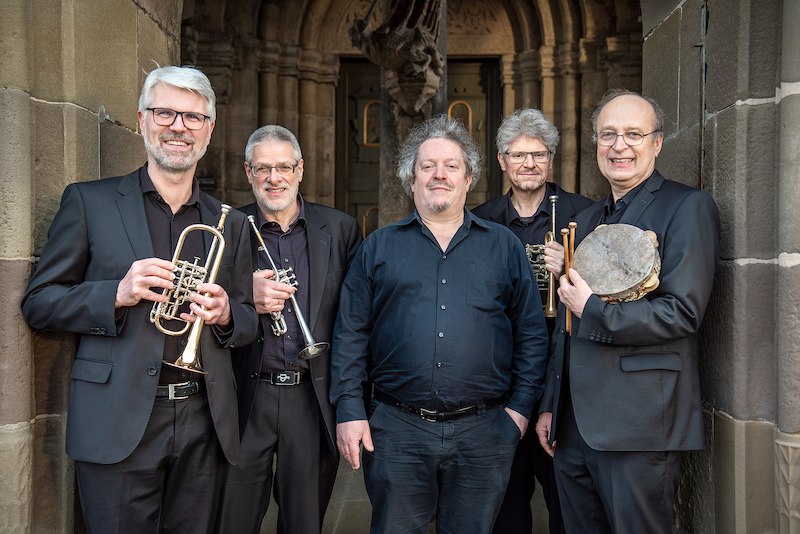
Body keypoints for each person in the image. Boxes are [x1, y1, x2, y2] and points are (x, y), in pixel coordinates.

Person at [20, 65, 258, 532]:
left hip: (205, 421)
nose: (177, 127)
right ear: (142, 119)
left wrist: (228, 313)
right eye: (164, 112)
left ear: (209, 130)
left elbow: (249, 320)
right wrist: (117, 292)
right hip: (118, 419)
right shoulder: (89, 202)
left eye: (192, 117)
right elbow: (40, 303)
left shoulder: (229, 222)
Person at [330, 115, 549, 534]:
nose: (439, 175)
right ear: (411, 180)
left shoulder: (503, 246)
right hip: (396, 430)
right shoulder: (378, 246)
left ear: (469, 180)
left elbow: (531, 333)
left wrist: (519, 410)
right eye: (427, 166)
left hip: (485, 431)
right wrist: (350, 408)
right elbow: (350, 333)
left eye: (451, 166)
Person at [535, 89, 720, 534]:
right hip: (575, 424)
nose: (619, 146)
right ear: (595, 143)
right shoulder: (590, 217)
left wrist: (592, 307)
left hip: (638, 423)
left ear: (657, 142)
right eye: (608, 135)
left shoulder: (686, 207)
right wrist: (550, 406)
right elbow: (565, 323)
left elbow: (681, 312)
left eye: (633, 134)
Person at [215, 125, 362, 534]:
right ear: (248, 172)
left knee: (304, 523)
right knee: (232, 520)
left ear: (300, 170)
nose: (273, 178)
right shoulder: (225, 227)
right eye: (263, 168)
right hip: (245, 396)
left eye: (283, 167)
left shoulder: (340, 228)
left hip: (310, 399)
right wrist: (246, 291)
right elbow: (203, 300)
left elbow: (355, 322)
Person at [472, 108, 592, 534]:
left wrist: (574, 269)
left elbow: (606, 296)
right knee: (504, 500)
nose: (528, 164)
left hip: (565, 378)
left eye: (538, 155)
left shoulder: (586, 215)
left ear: (551, 159)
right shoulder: (479, 220)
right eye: (518, 155)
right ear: (502, 160)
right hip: (500, 379)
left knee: (566, 498)